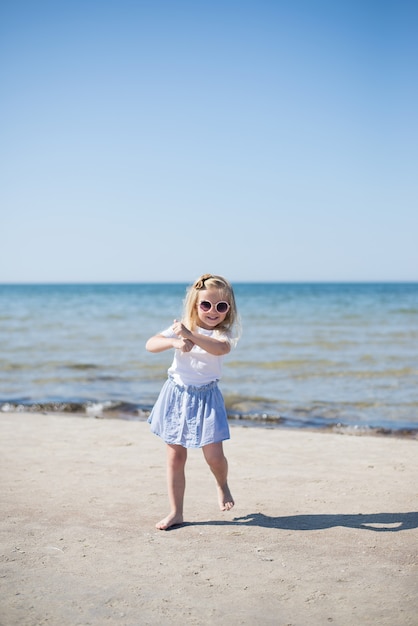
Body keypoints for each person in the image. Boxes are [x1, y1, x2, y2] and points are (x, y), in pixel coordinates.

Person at [145, 273, 240, 530]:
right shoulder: (184, 325)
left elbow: (220, 349)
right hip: (177, 395)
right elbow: (150, 344)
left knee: (215, 457)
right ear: (195, 305)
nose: (212, 311)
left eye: (221, 306)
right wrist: (176, 341)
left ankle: (222, 484)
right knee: (175, 457)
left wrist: (190, 335)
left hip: (207, 398)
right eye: (206, 305)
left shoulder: (223, 332)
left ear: (228, 309)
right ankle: (176, 512)